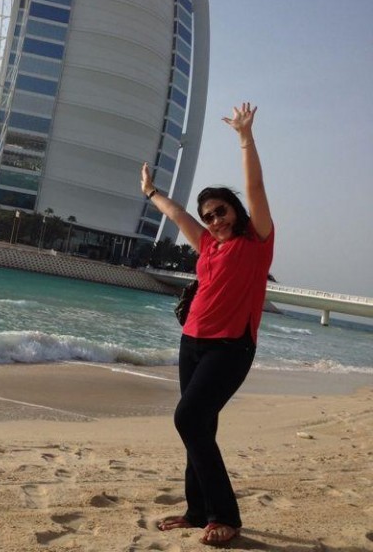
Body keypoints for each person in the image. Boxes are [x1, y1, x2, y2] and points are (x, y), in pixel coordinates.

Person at [140, 102, 274, 547]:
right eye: (209, 216)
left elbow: (255, 187)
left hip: (230, 348)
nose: (215, 220)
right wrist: (151, 193)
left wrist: (245, 139)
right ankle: (197, 511)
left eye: (221, 211)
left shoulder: (256, 242)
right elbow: (177, 214)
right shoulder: (208, 245)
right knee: (201, 426)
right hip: (192, 343)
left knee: (188, 418)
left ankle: (225, 515)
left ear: (235, 210)